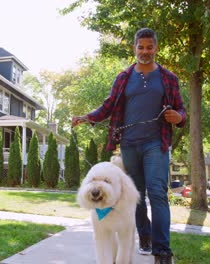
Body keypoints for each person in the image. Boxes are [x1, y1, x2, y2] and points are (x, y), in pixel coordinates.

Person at [72, 28, 186, 264]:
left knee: (157, 193)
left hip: (156, 143)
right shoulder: (124, 77)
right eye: (140, 47)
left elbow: (181, 110)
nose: (145, 51)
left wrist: (179, 117)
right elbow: (108, 106)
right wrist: (86, 117)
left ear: (156, 48)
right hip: (129, 144)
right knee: (137, 195)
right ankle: (143, 238)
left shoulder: (168, 79)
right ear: (134, 48)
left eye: (149, 47)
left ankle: (162, 251)